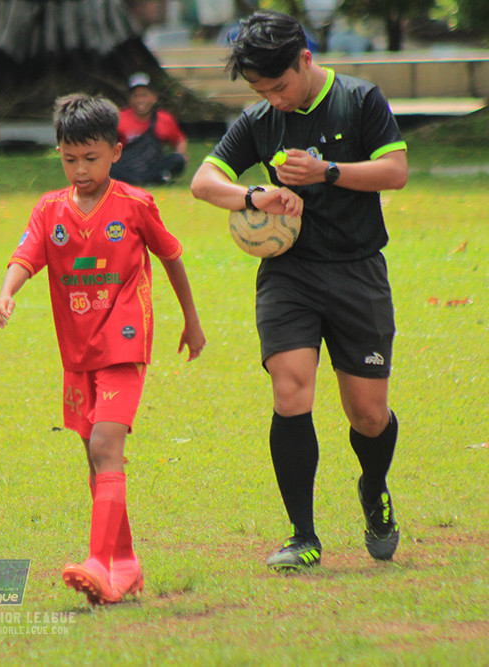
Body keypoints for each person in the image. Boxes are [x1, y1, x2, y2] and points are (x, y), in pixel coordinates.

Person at [190, 10, 408, 571]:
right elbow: (203, 182)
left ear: (305, 60)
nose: (274, 98)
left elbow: (396, 171)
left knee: (369, 415)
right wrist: (252, 195)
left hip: (358, 271)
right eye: (262, 90)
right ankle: (302, 536)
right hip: (291, 274)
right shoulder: (261, 118)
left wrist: (327, 172)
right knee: (291, 391)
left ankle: (374, 489)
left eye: (280, 85)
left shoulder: (360, 100)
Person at [0, 94, 206, 604]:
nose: (80, 169)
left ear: (116, 149)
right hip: (77, 349)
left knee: (105, 447)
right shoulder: (50, 209)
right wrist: (7, 291)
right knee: (96, 457)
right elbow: (25, 255)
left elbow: (171, 256)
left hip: (125, 341)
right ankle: (125, 566)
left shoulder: (135, 204)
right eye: (69, 158)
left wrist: (191, 320)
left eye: (91, 158)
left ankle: (97, 561)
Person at [109, 72, 188, 185]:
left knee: (178, 160)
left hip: (153, 166)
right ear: (130, 99)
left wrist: (181, 153)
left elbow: (180, 140)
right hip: (127, 167)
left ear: (154, 98)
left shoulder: (164, 119)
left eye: (144, 95)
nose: (140, 100)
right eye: (136, 96)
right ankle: (156, 179)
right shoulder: (119, 118)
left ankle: (151, 178)